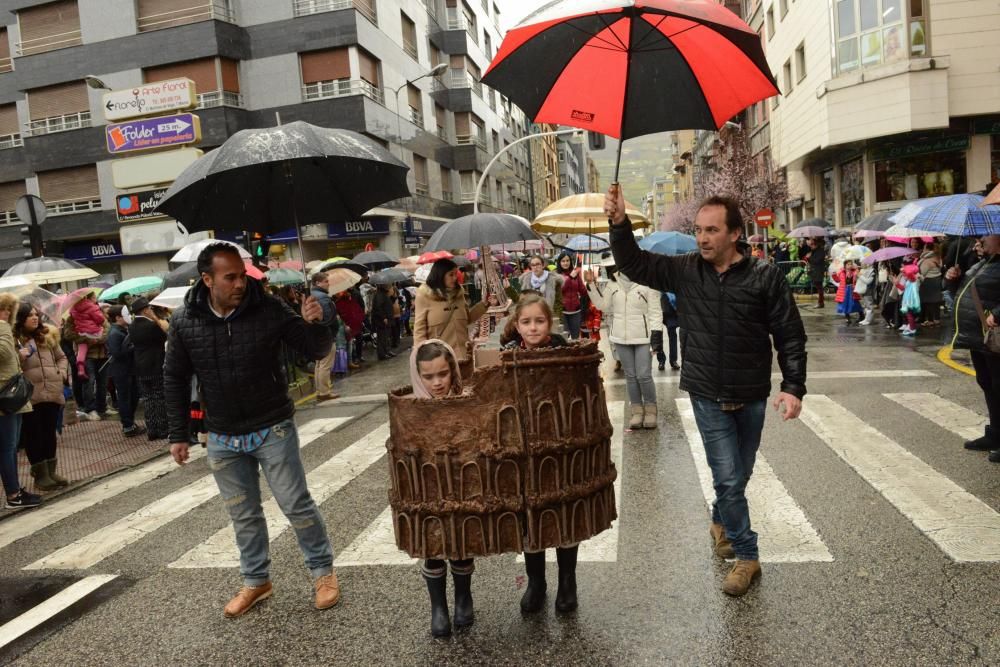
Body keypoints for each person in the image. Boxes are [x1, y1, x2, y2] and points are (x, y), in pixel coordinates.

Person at [606, 188, 807, 597]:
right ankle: (747, 556)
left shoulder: (765, 276)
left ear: (735, 234)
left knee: (740, 474)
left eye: (711, 230)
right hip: (706, 393)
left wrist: (792, 387)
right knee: (729, 477)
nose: (702, 238)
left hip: (750, 392)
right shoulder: (684, 270)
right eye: (698, 230)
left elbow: (789, 334)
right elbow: (633, 261)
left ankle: (720, 518)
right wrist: (619, 224)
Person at [164, 243, 340, 618]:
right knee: (242, 514)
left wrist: (319, 321)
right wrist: (178, 434)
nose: (240, 283)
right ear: (207, 279)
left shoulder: (270, 308)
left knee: (295, 504)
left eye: (243, 275)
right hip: (222, 435)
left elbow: (313, 349)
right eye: (230, 277)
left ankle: (323, 573)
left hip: (271, 426)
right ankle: (256, 580)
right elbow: (175, 377)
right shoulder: (184, 320)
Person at [498, 292, 580, 613]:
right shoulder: (507, 356)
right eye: (526, 322)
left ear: (550, 322)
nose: (533, 328)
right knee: (530, 515)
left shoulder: (565, 352)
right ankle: (536, 581)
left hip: (560, 447)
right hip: (523, 450)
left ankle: (567, 580)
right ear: (517, 325)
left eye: (540, 321)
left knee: (562, 513)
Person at [409, 339, 475, 637]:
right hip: (427, 488)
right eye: (429, 377)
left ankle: (463, 597)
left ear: (452, 371)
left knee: (460, 541)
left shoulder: (464, 401)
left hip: (460, 484)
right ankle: (438, 606)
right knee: (433, 544)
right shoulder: (410, 407)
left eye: (443, 374)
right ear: (418, 376)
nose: (437, 383)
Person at [584, 260, 661, 429]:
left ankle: (650, 411)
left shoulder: (648, 281)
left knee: (644, 375)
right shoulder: (612, 283)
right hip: (620, 337)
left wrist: (656, 337)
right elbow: (602, 305)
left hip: (643, 337)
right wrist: (590, 284)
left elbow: (655, 311)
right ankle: (636, 412)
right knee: (631, 376)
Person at [945, 236, 1000, 461]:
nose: (981, 240)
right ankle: (995, 435)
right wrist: (951, 279)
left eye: (987, 235)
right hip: (978, 337)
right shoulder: (984, 261)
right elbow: (964, 291)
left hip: (994, 335)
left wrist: (998, 313)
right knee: (988, 384)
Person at [15, 303, 69, 491]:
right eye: (29, 315)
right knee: (34, 435)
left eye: (35, 314)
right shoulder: (15, 340)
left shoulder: (47, 336)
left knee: (49, 433)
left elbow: (62, 357)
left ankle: (51, 471)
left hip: (52, 392)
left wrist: (61, 373)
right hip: (31, 395)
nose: (35, 318)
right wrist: (20, 356)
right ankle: (40, 474)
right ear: (21, 319)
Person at [0, 293, 41, 508]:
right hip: (4, 397)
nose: (9, 314)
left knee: (11, 446)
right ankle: (13, 495)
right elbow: (4, 354)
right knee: (7, 448)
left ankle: (15, 490)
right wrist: (4, 326)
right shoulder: (3, 328)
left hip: (11, 396)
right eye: (8, 309)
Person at [413, 258, 488, 363]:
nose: (455, 278)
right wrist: (422, 358)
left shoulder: (459, 293)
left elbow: (468, 318)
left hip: (464, 357)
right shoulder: (424, 296)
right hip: (441, 359)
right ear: (440, 275)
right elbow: (419, 331)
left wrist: (484, 304)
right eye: (451, 275)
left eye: (455, 274)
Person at [63, 294, 112, 421]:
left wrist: (99, 339)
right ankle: (90, 409)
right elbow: (68, 334)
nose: (95, 299)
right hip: (87, 355)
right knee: (88, 382)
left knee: (103, 382)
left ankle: (102, 407)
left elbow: (107, 327)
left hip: (102, 353)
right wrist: (87, 339)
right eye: (92, 297)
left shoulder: (97, 312)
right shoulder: (72, 317)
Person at [128, 297, 170, 440]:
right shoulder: (152, 326)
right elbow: (167, 334)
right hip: (155, 364)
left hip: (140, 366)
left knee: (147, 398)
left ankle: (152, 430)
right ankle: (163, 429)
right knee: (159, 396)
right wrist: (156, 320)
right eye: (149, 309)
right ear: (145, 310)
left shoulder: (131, 326)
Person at [106, 306, 145, 438]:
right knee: (125, 398)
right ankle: (128, 426)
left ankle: (130, 423)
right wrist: (134, 346)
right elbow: (117, 353)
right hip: (122, 371)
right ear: (117, 317)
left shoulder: (122, 330)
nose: (128, 316)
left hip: (129, 369)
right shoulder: (114, 333)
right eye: (125, 314)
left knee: (133, 396)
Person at [310, 272, 340, 402]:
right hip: (325, 336)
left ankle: (320, 390)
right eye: (326, 281)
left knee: (319, 364)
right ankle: (324, 392)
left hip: (317, 335)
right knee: (325, 365)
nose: (328, 283)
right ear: (318, 283)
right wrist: (331, 332)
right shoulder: (323, 298)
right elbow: (327, 319)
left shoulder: (313, 295)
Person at [69, 292, 105, 380]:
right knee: (103, 330)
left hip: (81, 332)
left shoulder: (73, 308)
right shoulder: (91, 306)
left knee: (82, 348)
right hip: (94, 333)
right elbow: (100, 319)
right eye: (94, 297)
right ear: (86, 297)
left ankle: (80, 368)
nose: (95, 299)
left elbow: (72, 316)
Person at [554, 252, 587, 339]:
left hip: (576, 311)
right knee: (565, 337)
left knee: (575, 337)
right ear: (559, 263)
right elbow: (560, 290)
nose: (566, 263)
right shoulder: (556, 275)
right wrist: (570, 278)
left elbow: (582, 291)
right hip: (563, 311)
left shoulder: (575, 274)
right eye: (563, 261)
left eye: (567, 260)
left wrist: (589, 283)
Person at [334, 291, 364, 369]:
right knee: (341, 346)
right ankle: (342, 366)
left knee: (349, 344)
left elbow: (354, 311)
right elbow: (339, 315)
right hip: (341, 327)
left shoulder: (349, 300)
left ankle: (349, 362)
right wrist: (345, 324)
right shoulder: (336, 303)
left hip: (349, 325)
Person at [918, 241, 944, 326]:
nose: (923, 250)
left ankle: (930, 320)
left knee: (928, 301)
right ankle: (937, 319)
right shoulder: (938, 257)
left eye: (924, 248)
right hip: (937, 280)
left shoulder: (926, 260)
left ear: (928, 249)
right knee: (935, 301)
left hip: (928, 281)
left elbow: (922, 273)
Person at [655, 292, 681, 371]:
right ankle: (661, 360)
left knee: (672, 333)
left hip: (669, 305)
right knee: (658, 334)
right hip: (656, 305)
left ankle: (673, 360)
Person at [834, 259, 864, 325]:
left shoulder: (854, 272)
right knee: (845, 304)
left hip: (852, 290)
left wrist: (857, 274)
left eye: (851, 264)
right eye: (848, 264)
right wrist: (834, 275)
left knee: (855, 303)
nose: (850, 266)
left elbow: (857, 280)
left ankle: (861, 315)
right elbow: (837, 280)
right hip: (844, 290)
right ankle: (847, 317)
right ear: (845, 265)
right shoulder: (841, 272)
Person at [371, 284, 396, 361]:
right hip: (382, 320)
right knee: (382, 337)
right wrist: (384, 317)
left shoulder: (384, 294)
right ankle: (382, 354)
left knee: (386, 336)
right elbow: (379, 307)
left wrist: (393, 296)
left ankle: (387, 351)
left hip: (387, 318)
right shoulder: (379, 295)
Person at [897, 263, 922, 336]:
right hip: (907, 300)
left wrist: (903, 270)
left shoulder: (914, 280)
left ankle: (912, 329)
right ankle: (912, 327)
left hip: (911, 300)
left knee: (909, 314)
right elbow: (903, 288)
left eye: (905, 274)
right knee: (909, 314)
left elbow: (910, 273)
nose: (904, 275)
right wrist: (896, 284)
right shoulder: (908, 281)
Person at [803, 237, 827, 308]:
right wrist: (808, 257)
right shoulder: (814, 251)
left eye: (812, 245)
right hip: (814, 271)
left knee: (819, 288)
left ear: (816, 245)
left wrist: (809, 257)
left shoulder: (820, 251)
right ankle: (820, 302)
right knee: (818, 287)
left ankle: (821, 303)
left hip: (818, 271)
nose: (811, 246)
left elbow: (816, 261)